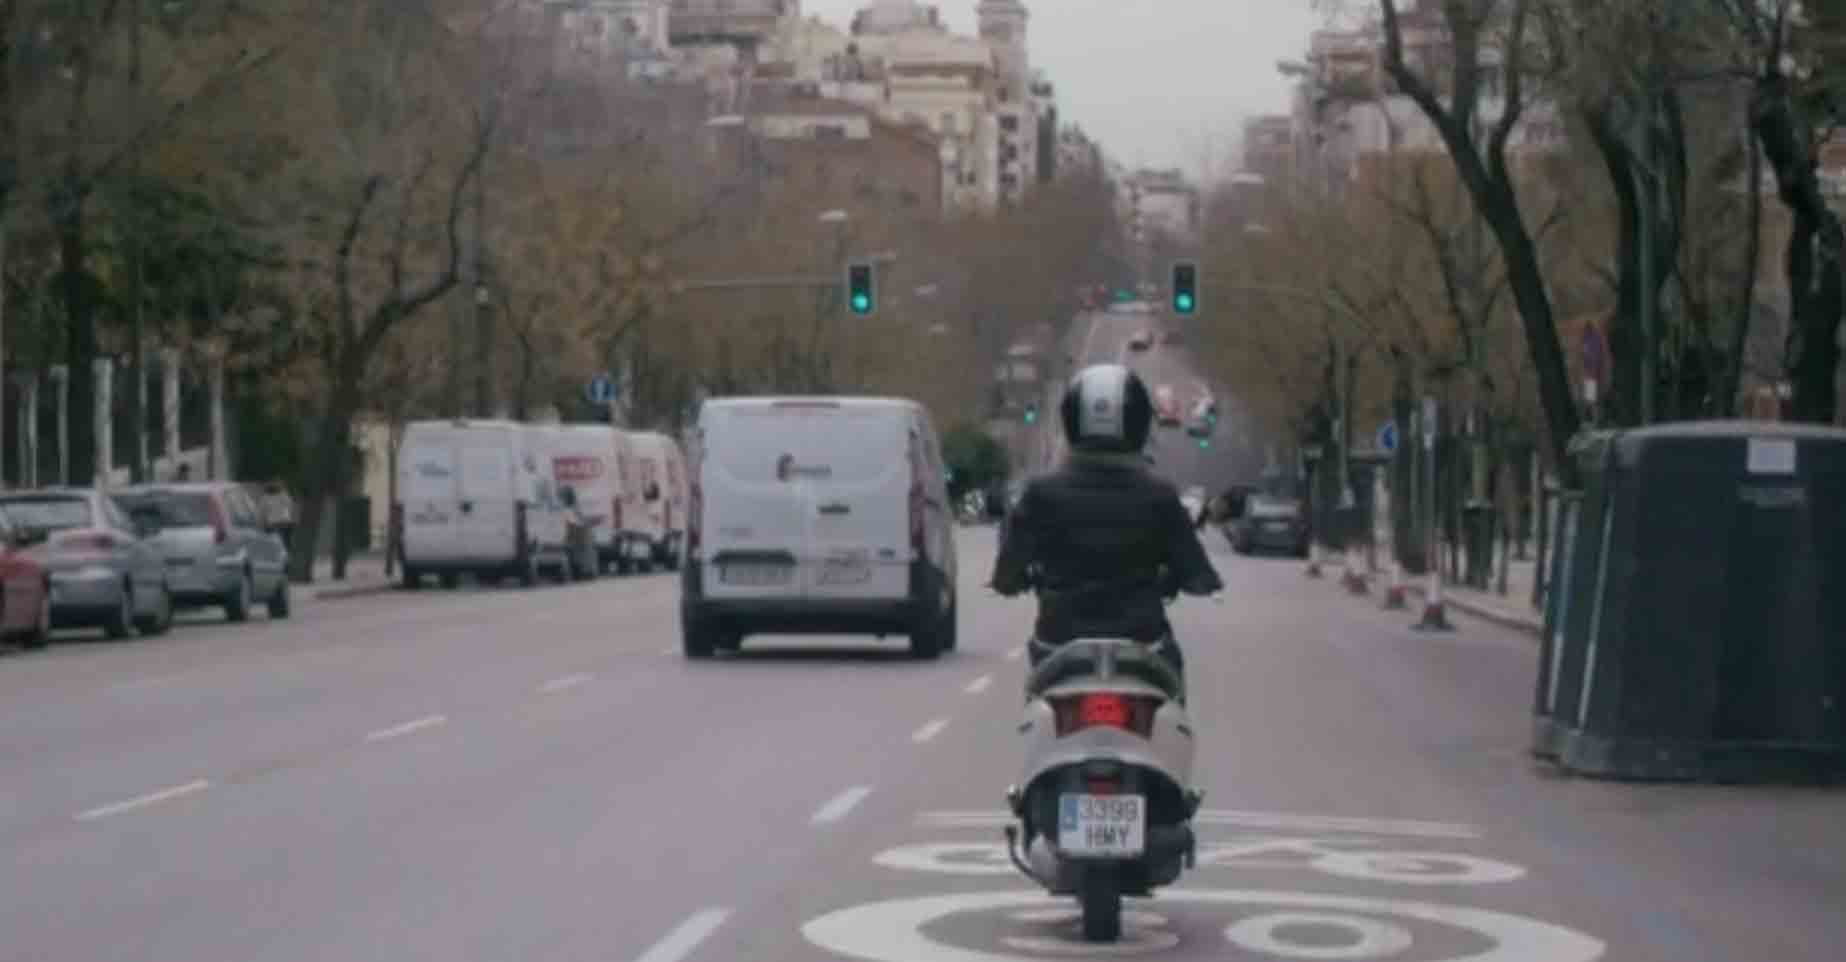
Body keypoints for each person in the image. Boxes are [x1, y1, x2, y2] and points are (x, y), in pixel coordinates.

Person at [990, 363, 1223, 689]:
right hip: (1143, 638)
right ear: (1138, 423)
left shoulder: (1040, 494)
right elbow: (1197, 573)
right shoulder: (1160, 496)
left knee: (1039, 701)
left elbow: (1008, 571)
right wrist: (1198, 581)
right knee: (1171, 691)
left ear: (1071, 421)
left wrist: (1009, 581)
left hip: (1058, 638)